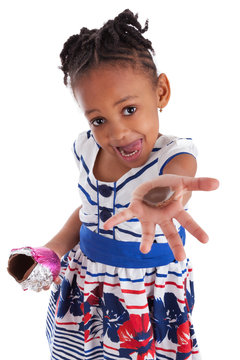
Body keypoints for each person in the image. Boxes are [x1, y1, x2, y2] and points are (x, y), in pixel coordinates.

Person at [10, 9, 219, 360]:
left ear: (161, 92)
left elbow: (177, 179)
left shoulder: (173, 156)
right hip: (86, 286)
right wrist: (53, 249)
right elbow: (88, 213)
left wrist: (164, 194)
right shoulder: (87, 148)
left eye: (129, 109)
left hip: (144, 293)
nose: (116, 133)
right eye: (99, 119)